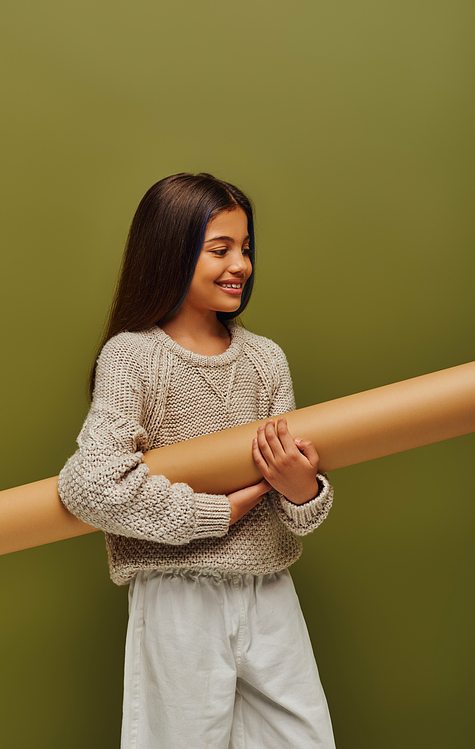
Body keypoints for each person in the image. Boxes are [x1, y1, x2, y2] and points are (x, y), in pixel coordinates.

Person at [58, 173, 336, 748]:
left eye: (246, 248)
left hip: (269, 590)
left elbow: (299, 513)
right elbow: (90, 485)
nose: (241, 265)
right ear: (170, 252)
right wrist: (215, 513)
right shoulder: (133, 357)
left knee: (304, 738)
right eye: (221, 250)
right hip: (175, 596)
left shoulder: (265, 361)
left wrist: (304, 489)